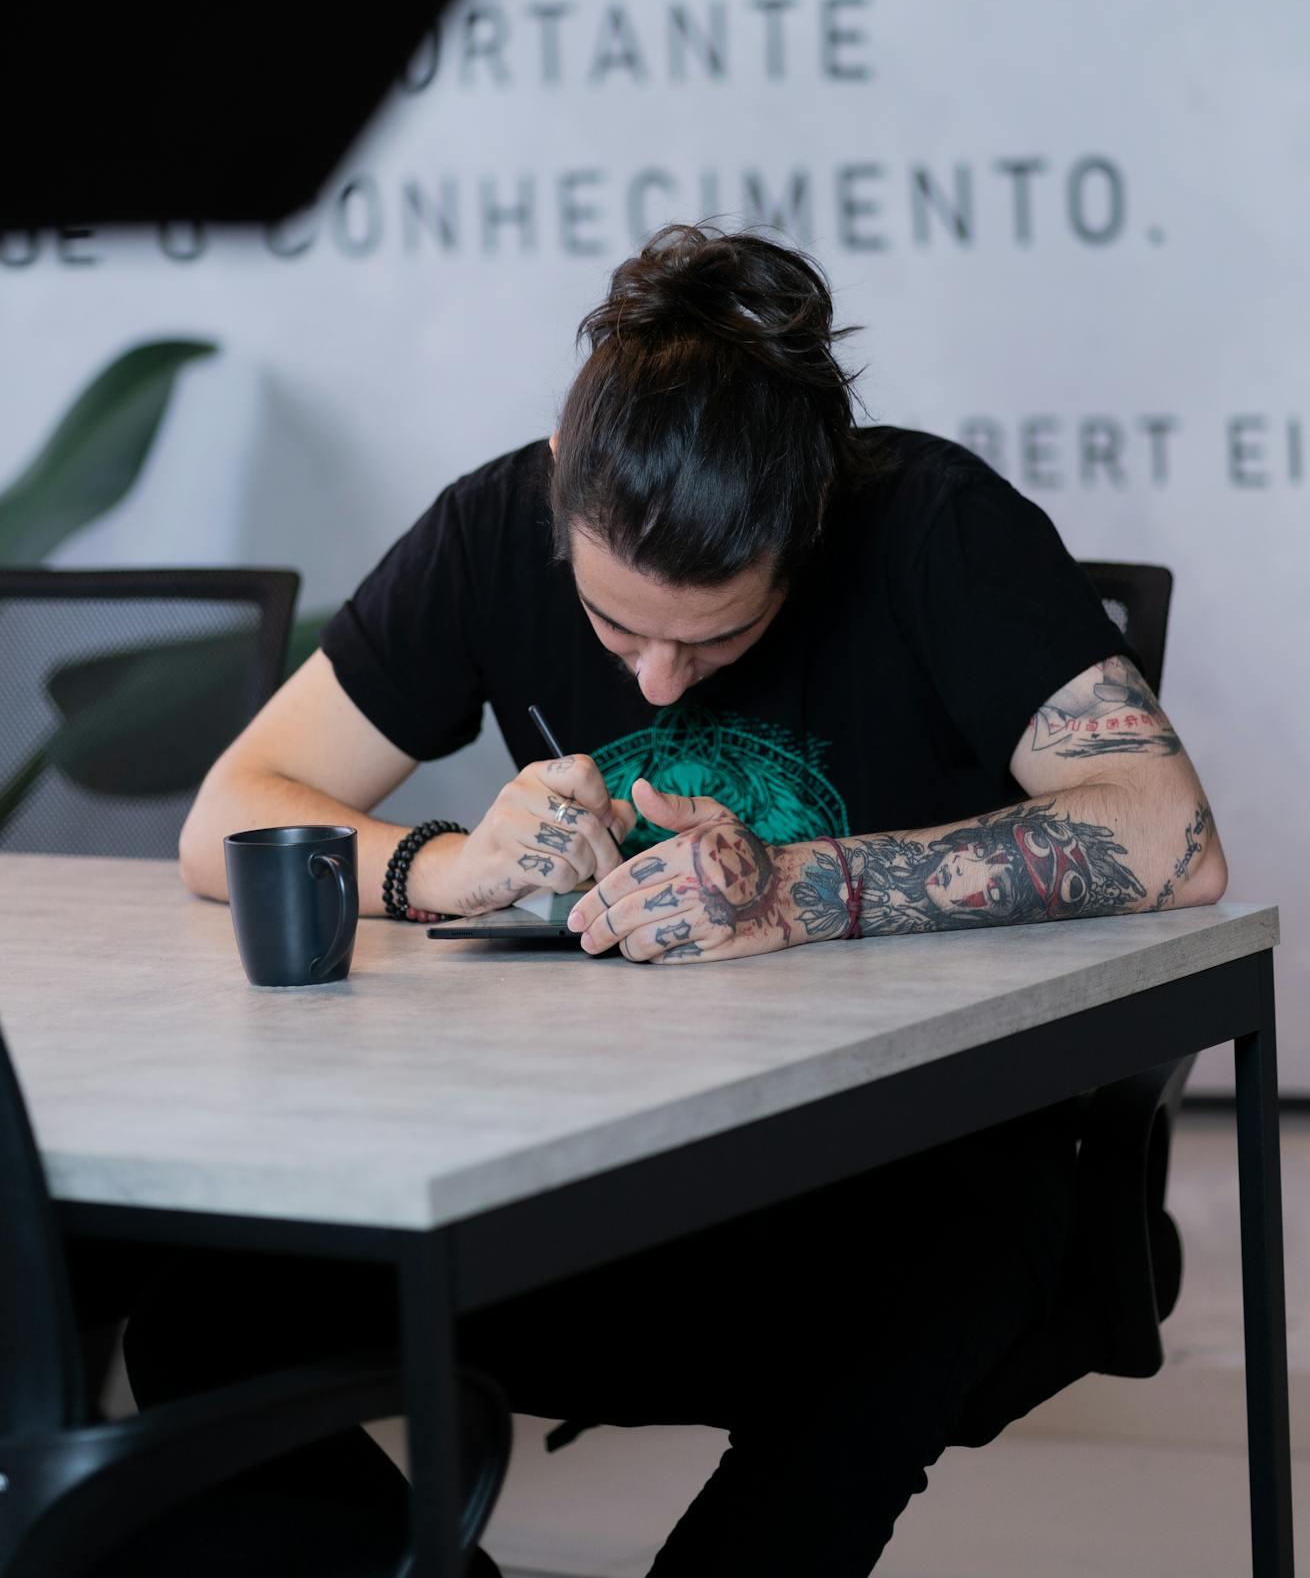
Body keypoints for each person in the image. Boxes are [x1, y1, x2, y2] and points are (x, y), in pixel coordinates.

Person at [135, 224, 1225, 1576]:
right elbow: (232, 810)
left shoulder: (934, 523)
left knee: (897, 1318)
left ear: (811, 526)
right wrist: (444, 867)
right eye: (612, 628)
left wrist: (797, 892)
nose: (657, 680)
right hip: (600, 1166)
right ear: (559, 498)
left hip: (902, 1171)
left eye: (714, 636)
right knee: (201, 1323)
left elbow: (1167, 832)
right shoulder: (491, 524)